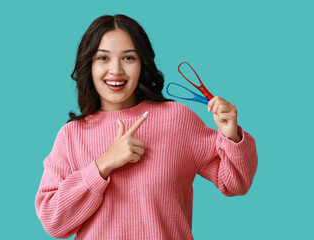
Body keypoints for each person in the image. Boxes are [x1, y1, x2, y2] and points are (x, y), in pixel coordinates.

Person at [35, 14, 258, 240]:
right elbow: (53, 222)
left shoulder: (177, 120)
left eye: (128, 58)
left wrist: (231, 136)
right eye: (103, 58)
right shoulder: (71, 136)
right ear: (89, 66)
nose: (116, 70)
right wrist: (103, 165)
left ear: (142, 63)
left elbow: (235, 183)